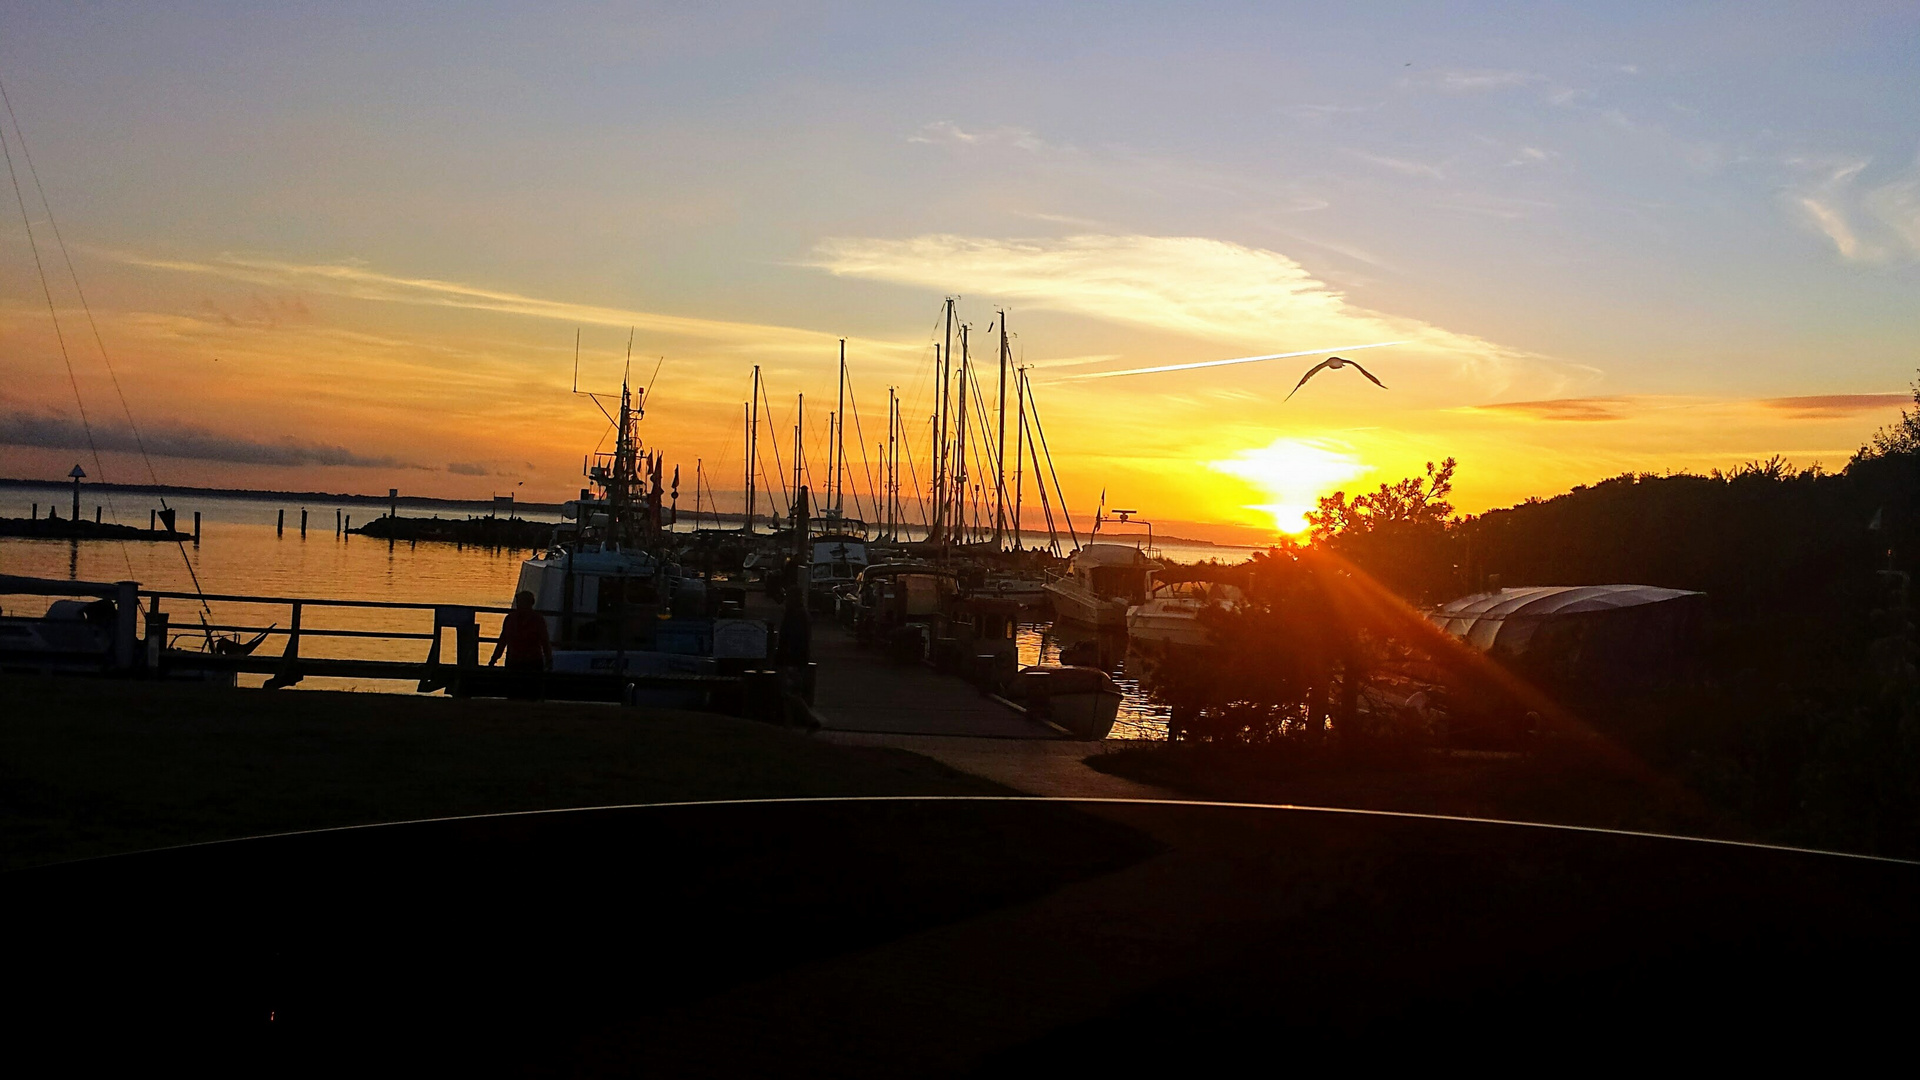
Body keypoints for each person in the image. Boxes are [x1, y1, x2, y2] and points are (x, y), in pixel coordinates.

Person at [489, 591, 552, 698]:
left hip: (531, 662)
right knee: (514, 694)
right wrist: (494, 658)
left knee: (530, 694)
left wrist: (549, 660)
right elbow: (503, 640)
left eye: (522, 602)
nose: (519, 605)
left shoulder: (537, 620)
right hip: (515, 661)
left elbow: (545, 642)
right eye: (518, 602)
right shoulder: (510, 619)